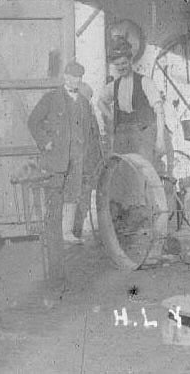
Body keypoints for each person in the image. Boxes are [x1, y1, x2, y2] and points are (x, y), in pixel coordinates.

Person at [28, 60, 100, 301]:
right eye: (70, 77)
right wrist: (45, 141)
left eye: (78, 78)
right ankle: (54, 278)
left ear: (81, 80)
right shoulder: (51, 98)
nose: (74, 81)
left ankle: (64, 274)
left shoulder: (84, 103)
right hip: (55, 168)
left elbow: (92, 135)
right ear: (64, 77)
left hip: (75, 169)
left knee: (68, 215)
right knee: (53, 220)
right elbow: (33, 122)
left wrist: (91, 163)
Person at [101, 37, 168, 174]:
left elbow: (159, 111)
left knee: (144, 175)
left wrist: (160, 140)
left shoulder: (145, 82)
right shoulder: (114, 85)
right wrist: (111, 118)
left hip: (142, 137)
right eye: (117, 65)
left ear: (131, 61)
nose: (121, 67)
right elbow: (101, 102)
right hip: (122, 139)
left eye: (124, 63)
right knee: (123, 175)